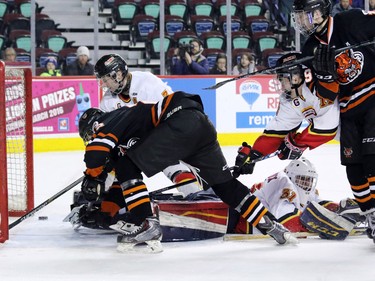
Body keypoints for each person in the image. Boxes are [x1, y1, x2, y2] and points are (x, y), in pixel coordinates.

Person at [78, 92, 298, 251]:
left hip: (180, 120)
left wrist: (91, 176)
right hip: (200, 125)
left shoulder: (107, 120)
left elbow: (96, 154)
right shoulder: (128, 132)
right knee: (224, 185)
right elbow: (122, 181)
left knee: (127, 165)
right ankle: (269, 223)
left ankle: (146, 224)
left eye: (89, 136)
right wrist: (105, 210)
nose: (91, 139)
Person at [291, 0, 375, 243]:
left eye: (306, 16)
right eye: (299, 17)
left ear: (320, 12)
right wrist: (326, 77)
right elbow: (325, 97)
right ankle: (370, 214)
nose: (302, 22)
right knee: (354, 168)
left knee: (372, 160)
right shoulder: (309, 50)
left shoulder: (351, 20)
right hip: (348, 109)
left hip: (372, 97)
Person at [233, 52, 339, 178]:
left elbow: (328, 127)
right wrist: (253, 155)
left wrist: (297, 143)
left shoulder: (318, 88)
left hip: (360, 125)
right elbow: (277, 132)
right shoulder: (289, 100)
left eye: (283, 78)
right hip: (347, 137)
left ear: (296, 76)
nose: (281, 84)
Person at [230, 158, 363, 239]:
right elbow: (285, 222)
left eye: (309, 181)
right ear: (291, 176)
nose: (306, 184)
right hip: (242, 223)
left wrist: (339, 209)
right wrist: (326, 224)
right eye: (303, 179)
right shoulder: (283, 181)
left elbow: (317, 204)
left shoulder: (304, 188)